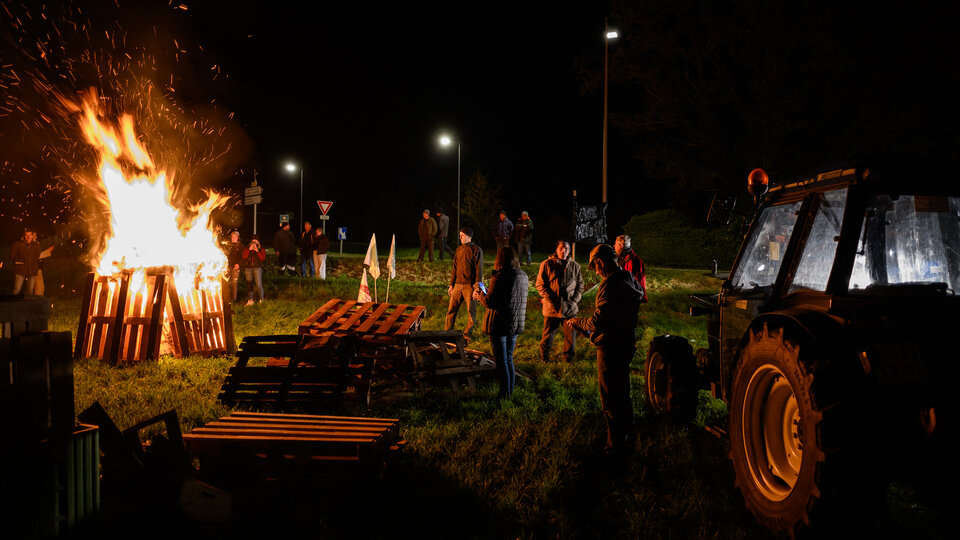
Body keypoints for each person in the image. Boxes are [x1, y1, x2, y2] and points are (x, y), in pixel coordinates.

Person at [565, 244, 644, 465]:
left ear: (600, 262)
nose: (596, 272)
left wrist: (578, 322)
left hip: (610, 348)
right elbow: (614, 317)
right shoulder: (629, 279)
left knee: (610, 399)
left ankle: (613, 451)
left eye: (596, 267)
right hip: (626, 343)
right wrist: (589, 330)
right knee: (623, 394)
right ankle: (628, 438)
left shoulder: (610, 285)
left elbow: (599, 321)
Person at [473, 246, 528, 397]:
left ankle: (504, 394)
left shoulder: (500, 276)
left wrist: (479, 294)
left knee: (502, 361)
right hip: (516, 322)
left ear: (500, 259)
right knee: (508, 358)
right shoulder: (523, 276)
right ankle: (509, 391)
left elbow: (490, 302)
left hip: (500, 324)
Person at [535, 240, 583, 363]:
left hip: (570, 308)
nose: (564, 250)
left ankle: (568, 359)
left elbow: (580, 286)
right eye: (561, 248)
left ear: (569, 250)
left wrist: (574, 301)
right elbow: (540, 285)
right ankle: (544, 356)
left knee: (570, 336)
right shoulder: (546, 264)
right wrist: (551, 299)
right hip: (551, 307)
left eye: (566, 248)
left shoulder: (575, 266)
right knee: (548, 334)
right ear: (556, 249)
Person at [446, 226, 483, 341]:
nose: (460, 237)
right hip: (457, 285)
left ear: (468, 237)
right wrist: (451, 284)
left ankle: (467, 334)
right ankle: (447, 333)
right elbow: (454, 268)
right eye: (460, 235)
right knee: (451, 310)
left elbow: (479, 270)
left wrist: (477, 288)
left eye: (461, 235)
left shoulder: (476, 250)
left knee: (471, 312)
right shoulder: (458, 250)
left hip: (469, 286)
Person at [10, 227, 44, 295]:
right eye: (26, 235)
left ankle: (28, 304)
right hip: (21, 269)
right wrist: (20, 262)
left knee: (30, 290)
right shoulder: (18, 244)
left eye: (30, 235)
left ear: (32, 235)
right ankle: (13, 303)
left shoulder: (36, 245)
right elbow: (12, 256)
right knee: (17, 289)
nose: (28, 237)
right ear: (24, 236)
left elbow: (36, 256)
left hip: (32, 270)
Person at [615, 234, 647, 303]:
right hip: (632, 295)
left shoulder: (632, 261)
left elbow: (631, 281)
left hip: (634, 296)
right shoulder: (625, 258)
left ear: (621, 246)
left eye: (616, 244)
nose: (614, 246)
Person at [242, 235, 266, 305]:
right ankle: (250, 300)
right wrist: (249, 249)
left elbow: (262, 258)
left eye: (256, 241)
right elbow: (244, 256)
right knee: (249, 284)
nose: (254, 243)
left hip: (257, 268)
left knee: (258, 284)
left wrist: (257, 251)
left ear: (258, 242)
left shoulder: (261, 249)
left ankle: (261, 299)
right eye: (253, 241)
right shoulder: (247, 248)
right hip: (248, 268)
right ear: (250, 242)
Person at [224, 229, 243, 301]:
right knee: (227, 282)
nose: (233, 237)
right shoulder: (228, 245)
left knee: (234, 283)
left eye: (235, 236)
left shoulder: (240, 246)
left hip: (236, 267)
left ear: (238, 237)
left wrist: (239, 264)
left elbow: (243, 257)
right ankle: (227, 298)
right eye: (232, 236)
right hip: (228, 266)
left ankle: (234, 299)